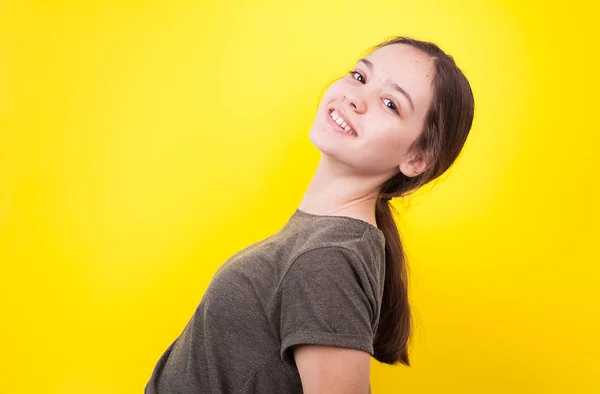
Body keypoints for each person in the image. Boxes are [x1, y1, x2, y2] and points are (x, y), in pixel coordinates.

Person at [145, 35, 475, 393]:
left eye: (390, 103)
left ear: (417, 158)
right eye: (360, 77)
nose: (355, 97)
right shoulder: (325, 240)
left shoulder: (329, 258)